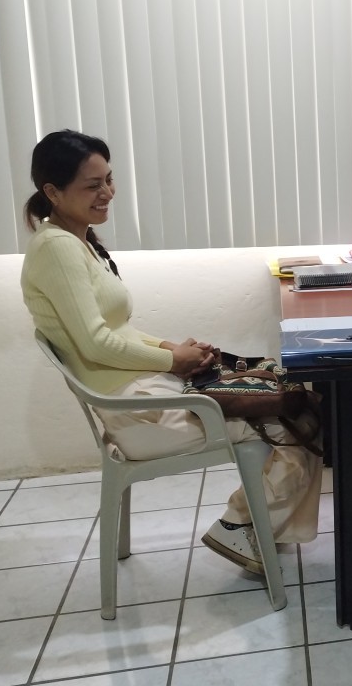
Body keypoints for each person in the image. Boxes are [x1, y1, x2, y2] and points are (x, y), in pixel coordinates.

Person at [21, 130, 323, 575]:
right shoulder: (58, 249)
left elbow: (115, 330)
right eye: (92, 185)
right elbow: (95, 343)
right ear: (53, 192)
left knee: (292, 404)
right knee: (297, 420)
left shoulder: (74, 241)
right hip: (138, 415)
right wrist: (172, 361)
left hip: (142, 393)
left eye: (109, 179)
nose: (107, 193)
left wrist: (172, 349)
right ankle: (240, 526)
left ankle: (257, 525)